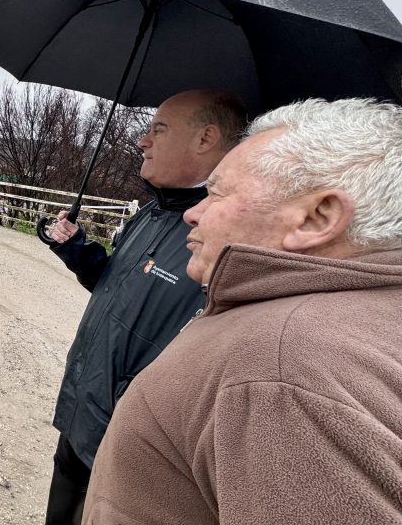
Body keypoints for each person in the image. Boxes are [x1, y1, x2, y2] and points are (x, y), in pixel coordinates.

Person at [82, 98, 402, 524]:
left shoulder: (286, 364)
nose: (194, 214)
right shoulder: (358, 314)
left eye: (216, 193)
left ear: (316, 218)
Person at [44, 89, 248, 524]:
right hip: (83, 414)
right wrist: (78, 251)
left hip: (131, 449)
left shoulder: (226, 240)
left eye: (158, 130)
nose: (142, 142)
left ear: (205, 138)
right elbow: (121, 288)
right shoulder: (152, 212)